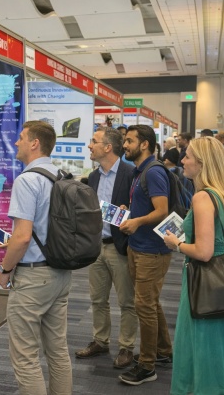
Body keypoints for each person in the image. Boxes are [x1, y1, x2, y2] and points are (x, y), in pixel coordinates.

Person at [163, 137, 224, 394]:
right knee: (218, 345)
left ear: (202, 163)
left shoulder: (202, 197)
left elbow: (204, 252)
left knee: (202, 344)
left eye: (187, 156)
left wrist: (176, 244)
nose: (182, 160)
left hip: (203, 282)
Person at [0, 120, 72, 395]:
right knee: (58, 351)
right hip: (60, 273)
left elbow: (22, 237)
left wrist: (5, 269)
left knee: (25, 357)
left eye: (21, 137)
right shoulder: (62, 176)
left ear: (34, 143)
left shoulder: (27, 180)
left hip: (33, 278)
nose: (16, 142)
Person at [75, 127, 137, 369]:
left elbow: (141, 210)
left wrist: (128, 213)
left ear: (108, 147)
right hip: (96, 247)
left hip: (120, 246)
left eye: (94, 141)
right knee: (98, 299)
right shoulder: (93, 176)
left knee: (127, 301)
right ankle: (100, 341)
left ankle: (126, 347)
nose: (90, 145)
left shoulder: (130, 173)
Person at [118, 124, 173, 386]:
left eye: (129, 141)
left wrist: (137, 221)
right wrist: (129, 211)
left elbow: (162, 210)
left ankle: (147, 365)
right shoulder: (139, 171)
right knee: (150, 303)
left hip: (152, 250)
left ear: (145, 144)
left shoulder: (153, 172)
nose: (124, 145)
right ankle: (163, 351)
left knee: (145, 306)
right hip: (138, 246)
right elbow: (147, 205)